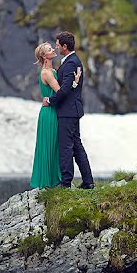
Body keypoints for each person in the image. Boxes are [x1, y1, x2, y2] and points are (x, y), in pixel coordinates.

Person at [42, 31, 94, 189]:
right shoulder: (72, 61)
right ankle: (88, 182)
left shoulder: (71, 63)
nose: (56, 46)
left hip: (67, 112)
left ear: (65, 46)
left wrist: (50, 100)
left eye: (57, 44)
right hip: (72, 111)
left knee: (66, 147)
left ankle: (66, 184)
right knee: (76, 146)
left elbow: (64, 90)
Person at [30, 42, 78, 189]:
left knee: (54, 145)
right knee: (50, 145)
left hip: (51, 109)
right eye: (50, 49)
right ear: (45, 56)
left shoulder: (52, 70)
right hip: (50, 112)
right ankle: (48, 181)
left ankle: (53, 179)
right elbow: (60, 92)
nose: (53, 50)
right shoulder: (47, 73)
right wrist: (74, 83)